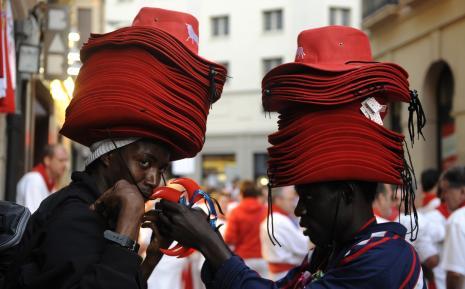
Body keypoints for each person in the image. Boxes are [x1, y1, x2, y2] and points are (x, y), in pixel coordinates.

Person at [154, 26, 426, 289]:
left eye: (308, 197)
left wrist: (209, 242)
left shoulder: (384, 259)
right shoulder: (327, 254)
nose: (299, 210)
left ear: (346, 193)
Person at [4, 7, 226, 289]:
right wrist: (129, 223)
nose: (154, 180)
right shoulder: (75, 216)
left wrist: (151, 257)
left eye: (162, 168)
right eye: (145, 162)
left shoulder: (106, 212)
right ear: (108, 155)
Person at [259, 186, 310, 280]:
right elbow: (303, 246)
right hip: (285, 274)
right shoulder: (278, 220)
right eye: (291, 199)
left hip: (284, 273)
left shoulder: (279, 218)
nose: (294, 203)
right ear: (278, 200)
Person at [224, 180, 268, 277]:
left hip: (243, 258)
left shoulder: (235, 212)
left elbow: (229, 238)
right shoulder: (266, 211)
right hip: (263, 257)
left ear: (242, 193)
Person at [16, 144, 69, 213]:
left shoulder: (50, 184)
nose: (65, 165)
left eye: (66, 160)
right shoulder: (34, 180)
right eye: (61, 160)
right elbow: (32, 214)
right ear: (47, 160)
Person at [441, 166, 465, 289]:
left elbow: (455, 274)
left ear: (462, 192)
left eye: (446, 191)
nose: (444, 196)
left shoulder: (457, 220)